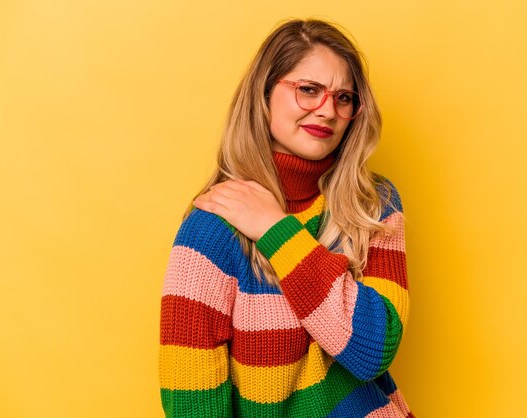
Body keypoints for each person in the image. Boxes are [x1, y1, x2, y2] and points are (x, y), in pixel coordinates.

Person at [159, 18, 415, 417]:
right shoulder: (210, 229)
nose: (328, 110)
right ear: (264, 95)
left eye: (344, 98)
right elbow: (191, 402)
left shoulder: (372, 204)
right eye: (308, 90)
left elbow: (373, 348)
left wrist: (276, 229)